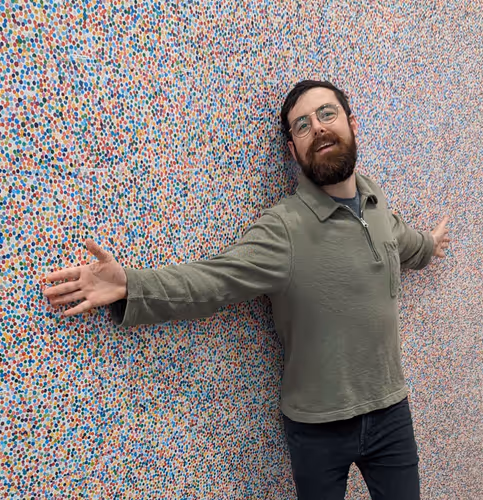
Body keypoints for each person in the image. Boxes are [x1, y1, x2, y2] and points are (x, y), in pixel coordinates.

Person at [43, 80, 450, 500]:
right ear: (292, 150)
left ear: (351, 124)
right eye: (302, 125)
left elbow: (399, 240)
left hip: (391, 412)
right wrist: (131, 284)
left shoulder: (374, 200)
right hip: (318, 428)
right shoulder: (284, 228)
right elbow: (213, 281)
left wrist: (429, 246)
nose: (318, 127)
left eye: (327, 114)